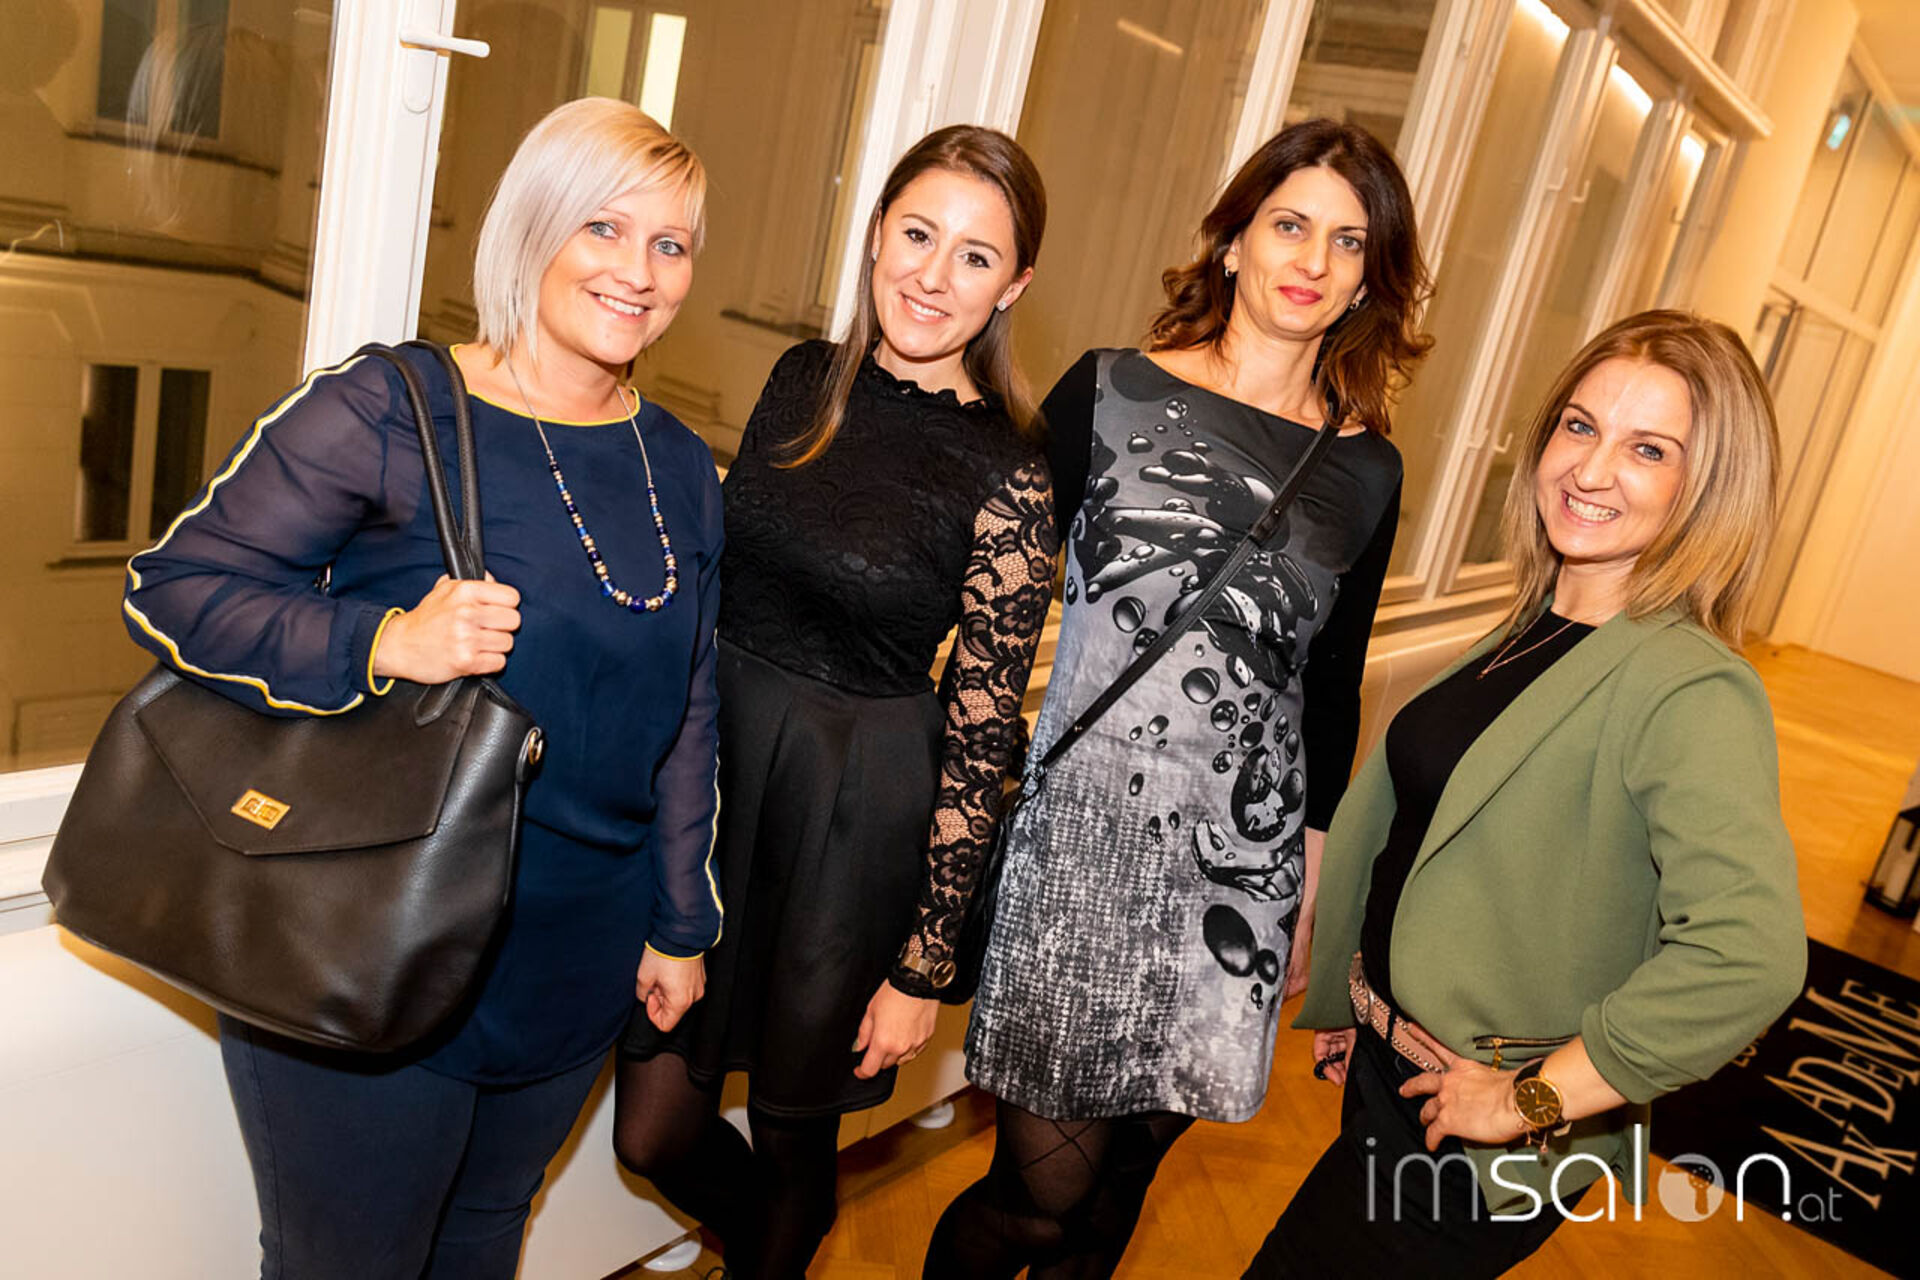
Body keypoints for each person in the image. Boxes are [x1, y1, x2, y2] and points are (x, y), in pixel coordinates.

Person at [119, 98, 723, 1277]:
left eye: (672, 243)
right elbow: (175, 586)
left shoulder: (682, 465)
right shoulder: (390, 408)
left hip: (575, 957)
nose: (640, 271)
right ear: (534, 224)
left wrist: (679, 922)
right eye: (604, 227)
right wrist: (384, 638)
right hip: (374, 935)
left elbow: (688, 707)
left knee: (484, 1239)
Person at [928, 118, 1433, 1277]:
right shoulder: (1110, 391)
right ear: (1235, 239)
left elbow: (1331, 684)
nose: (1312, 259)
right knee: (1038, 1196)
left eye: (1347, 242)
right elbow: (991, 595)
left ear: (1369, 280)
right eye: (1290, 224)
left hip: (1240, 873)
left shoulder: (1367, 467)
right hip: (1085, 849)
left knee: (1119, 1187)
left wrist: (1310, 878)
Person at [1245, 309, 1807, 1277]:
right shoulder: (1537, 625)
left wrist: (1528, 1098)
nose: (1591, 470)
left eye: (1649, 449)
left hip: (1476, 1147)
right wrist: (1358, 996)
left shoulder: (1689, 686)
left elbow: (1748, 958)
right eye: (1580, 426)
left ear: (1709, 488)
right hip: (1399, 1081)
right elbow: (1434, 839)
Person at [611, 126, 1056, 1278]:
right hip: (716, 775)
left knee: (792, 1128)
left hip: (853, 819)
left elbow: (984, 736)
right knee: (653, 1125)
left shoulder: (1011, 475)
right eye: (918, 234)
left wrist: (922, 964)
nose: (933, 275)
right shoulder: (801, 378)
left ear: (1012, 287)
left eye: (973, 256)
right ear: (874, 237)